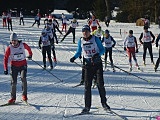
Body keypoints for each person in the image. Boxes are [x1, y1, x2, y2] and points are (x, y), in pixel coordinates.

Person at [70, 25, 110, 114]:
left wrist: (97, 55)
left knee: (100, 84)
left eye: (87, 31)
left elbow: (102, 50)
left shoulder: (95, 39)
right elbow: (78, 51)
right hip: (87, 65)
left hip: (97, 64)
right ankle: (87, 107)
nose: (85, 33)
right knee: (87, 86)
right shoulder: (80, 40)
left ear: (89, 31)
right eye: (83, 31)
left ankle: (104, 103)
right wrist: (74, 57)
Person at [3, 32, 33, 104]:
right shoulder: (9, 48)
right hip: (14, 66)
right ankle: (13, 98)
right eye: (12, 41)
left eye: (15, 40)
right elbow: (5, 58)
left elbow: (29, 49)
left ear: (17, 40)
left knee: (23, 78)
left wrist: (30, 55)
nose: (13, 42)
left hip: (23, 65)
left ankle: (24, 96)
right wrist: (5, 68)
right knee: (13, 82)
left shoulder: (22, 45)